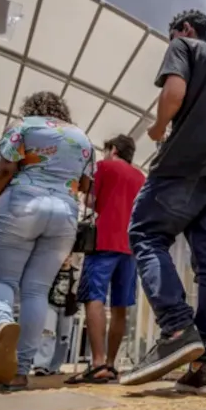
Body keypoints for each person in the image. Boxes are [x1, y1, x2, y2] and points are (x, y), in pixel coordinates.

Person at [120, 9, 206, 395]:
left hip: (184, 163)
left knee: (145, 233)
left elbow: (173, 93)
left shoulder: (184, 46)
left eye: (171, 31)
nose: (169, 38)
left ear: (187, 30)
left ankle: (175, 326)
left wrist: (158, 128)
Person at [0, 91, 94, 392]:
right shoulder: (82, 138)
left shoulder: (23, 126)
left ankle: (2, 324)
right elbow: (84, 185)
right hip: (65, 215)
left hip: (22, 205)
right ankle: (21, 370)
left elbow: (4, 169)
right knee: (37, 291)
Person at [66, 135, 144, 384]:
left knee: (94, 297)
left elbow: (90, 201)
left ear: (113, 150)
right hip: (130, 246)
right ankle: (111, 364)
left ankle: (97, 362)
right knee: (121, 305)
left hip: (103, 241)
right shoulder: (141, 177)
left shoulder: (103, 167)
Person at [34, 255, 81, 376]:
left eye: (68, 256)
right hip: (51, 305)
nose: (65, 259)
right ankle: (41, 364)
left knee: (64, 338)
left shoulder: (76, 273)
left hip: (67, 308)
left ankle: (55, 366)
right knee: (47, 333)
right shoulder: (51, 271)